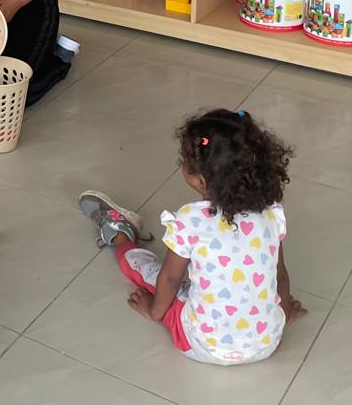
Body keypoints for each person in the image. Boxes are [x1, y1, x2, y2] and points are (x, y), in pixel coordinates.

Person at [79, 108, 306, 366]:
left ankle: (120, 235)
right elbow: (280, 274)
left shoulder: (190, 220)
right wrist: (284, 311)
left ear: (199, 180)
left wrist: (153, 312)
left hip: (200, 345)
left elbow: (170, 278)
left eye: (185, 161)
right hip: (268, 343)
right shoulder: (270, 212)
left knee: (150, 273)